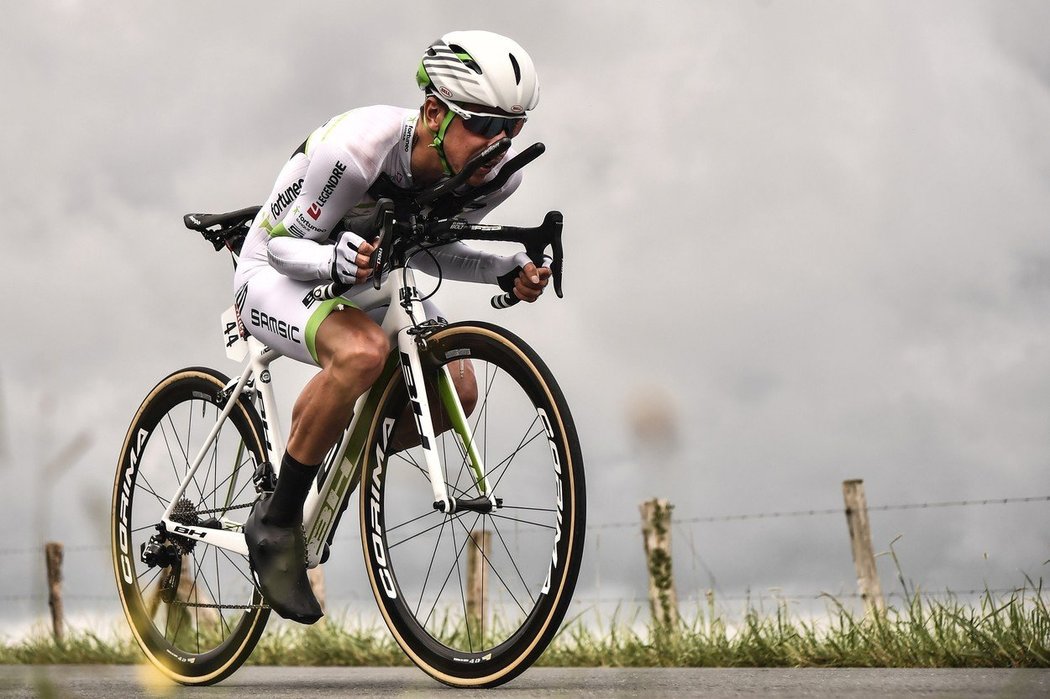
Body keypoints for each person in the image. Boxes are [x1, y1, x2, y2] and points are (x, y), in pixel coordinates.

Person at [233, 30, 552, 624]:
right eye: (484, 125)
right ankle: (276, 524)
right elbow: (280, 249)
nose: (500, 144)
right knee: (361, 354)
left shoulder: (498, 176)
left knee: (456, 389)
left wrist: (507, 269)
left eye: (513, 128)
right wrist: (334, 261)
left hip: (366, 277)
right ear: (434, 111)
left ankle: (321, 463)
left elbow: (437, 252)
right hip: (279, 269)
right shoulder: (358, 148)